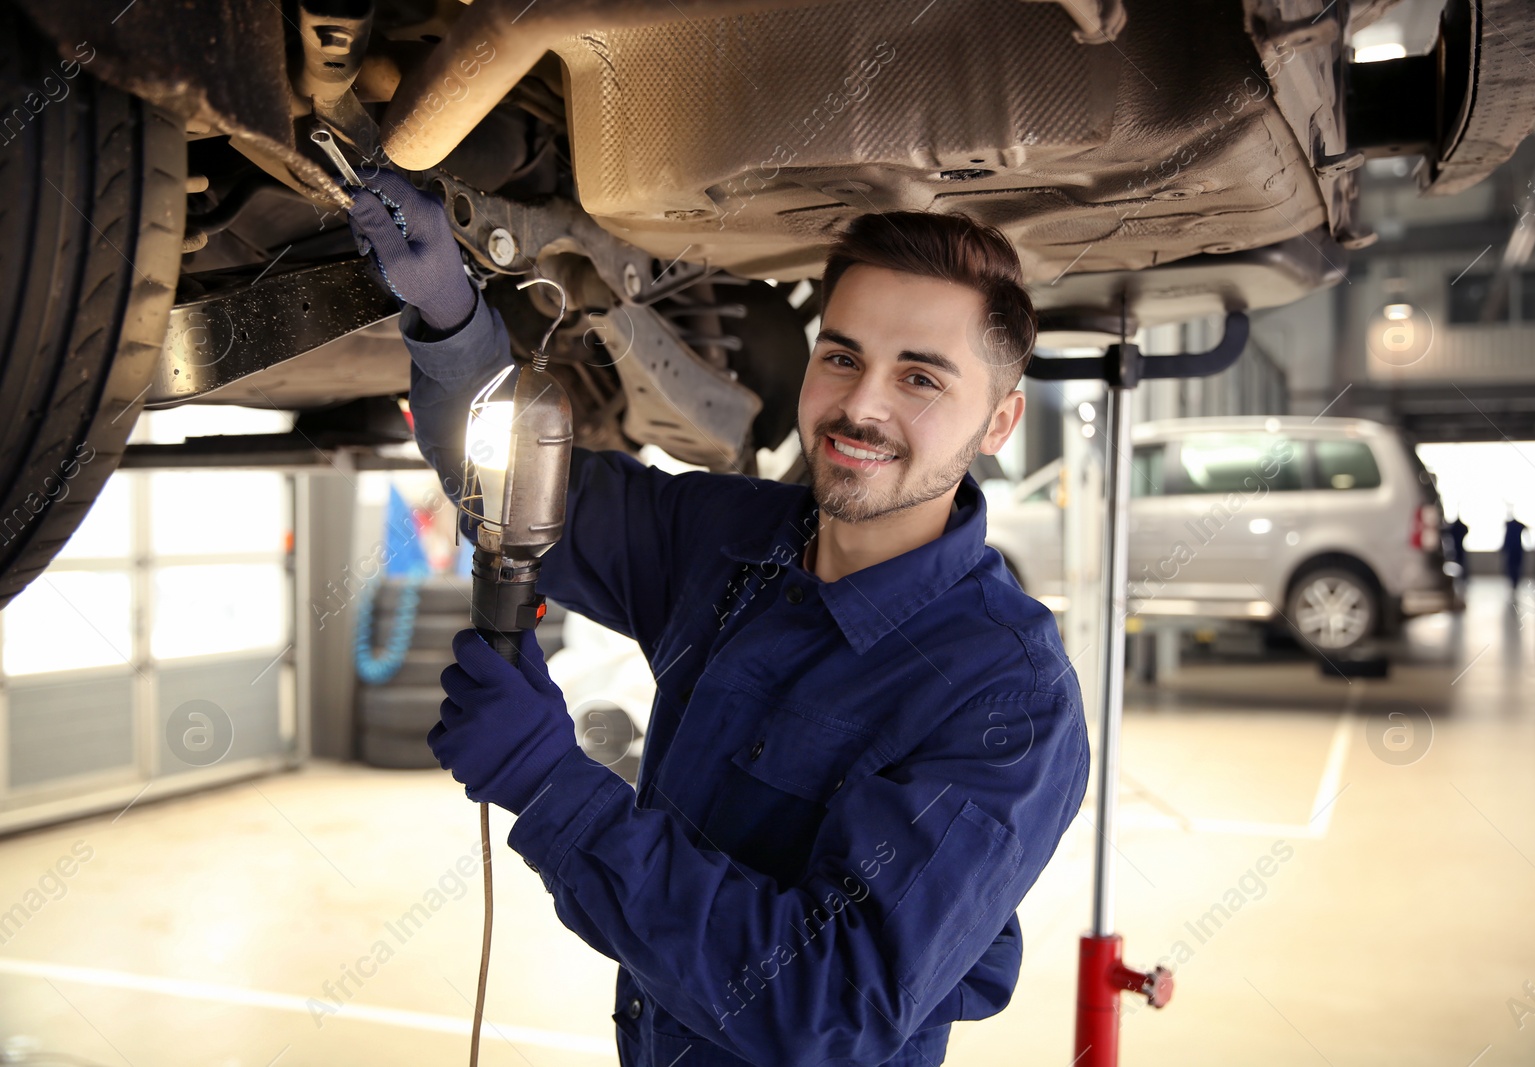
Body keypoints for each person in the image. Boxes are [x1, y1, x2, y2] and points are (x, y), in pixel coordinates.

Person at [346, 171, 1090, 1067]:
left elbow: (825, 1003)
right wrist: (453, 323)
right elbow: (522, 489)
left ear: (1000, 420)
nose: (861, 406)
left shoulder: (1009, 695)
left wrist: (552, 788)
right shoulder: (732, 540)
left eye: (921, 377)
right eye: (843, 356)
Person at [1502, 514, 1528, 588]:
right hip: (1516, 549)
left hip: (1514, 549)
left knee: (1513, 567)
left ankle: (1514, 582)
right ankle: (1514, 582)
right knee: (1515, 567)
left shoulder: (1510, 526)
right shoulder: (1518, 525)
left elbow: (1506, 539)